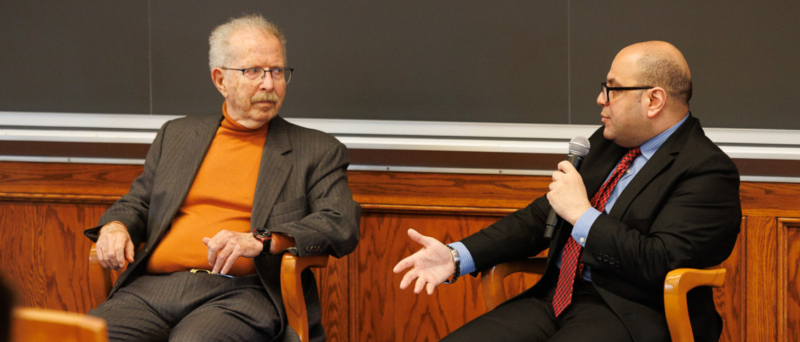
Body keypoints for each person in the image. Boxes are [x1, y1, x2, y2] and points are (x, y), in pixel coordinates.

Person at [394, 41, 741, 342]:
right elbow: (540, 218)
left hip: (631, 313)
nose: (600, 99)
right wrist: (457, 256)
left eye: (612, 89)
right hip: (556, 298)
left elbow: (659, 261)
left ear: (653, 100)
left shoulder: (706, 170)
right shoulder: (607, 143)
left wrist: (583, 216)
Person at [85, 14, 361, 342]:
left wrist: (262, 240)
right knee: (83, 337)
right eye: (253, 71)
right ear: (220, 80)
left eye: (277, 71)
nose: (269, 84)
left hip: (242, 294)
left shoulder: (316, 150)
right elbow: (138, 202)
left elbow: (341, 223)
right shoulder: (177, 135)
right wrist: (115, 226)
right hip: (151, 290)